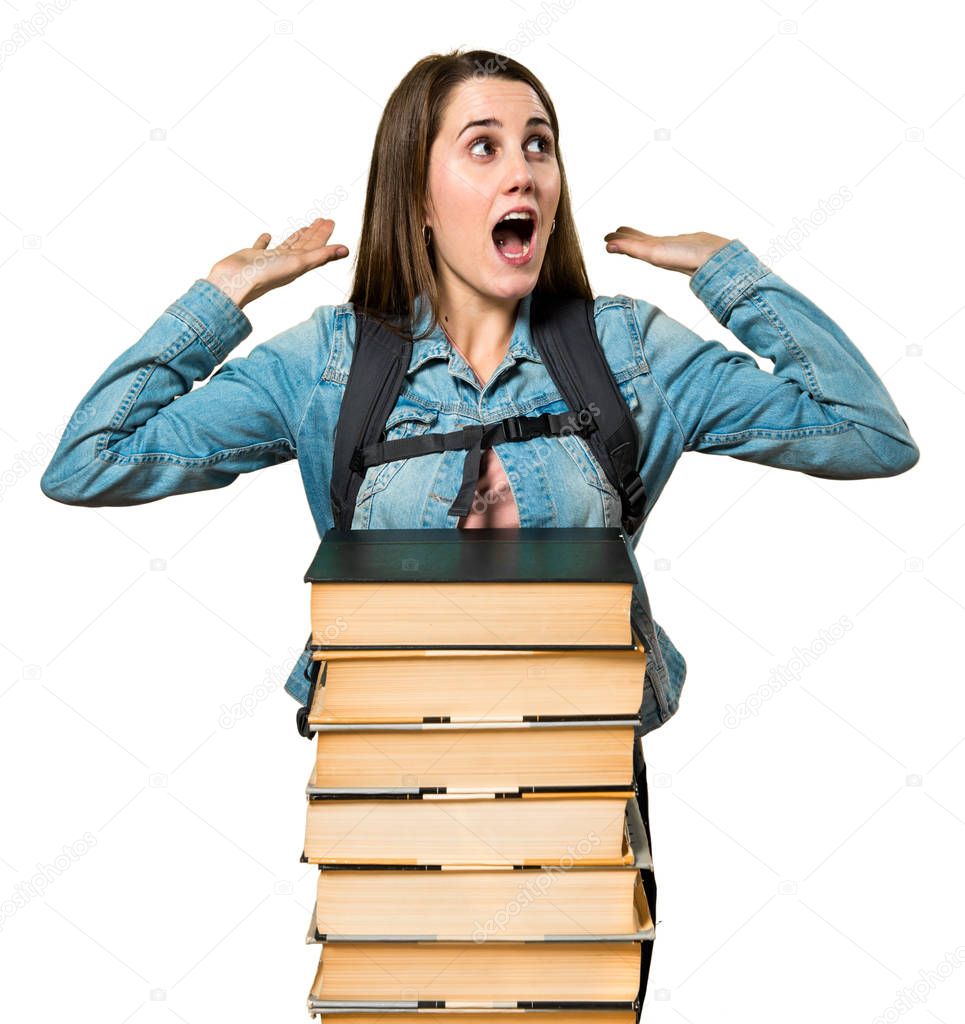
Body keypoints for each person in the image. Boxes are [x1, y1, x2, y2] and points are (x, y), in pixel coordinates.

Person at [39, 48, 919, 735]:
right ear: (417, 194)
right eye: (484, 146)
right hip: (392, 794)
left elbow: (866, 436)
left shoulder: (629, 351)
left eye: (539, 143)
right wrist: (222, 295)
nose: (524, 171)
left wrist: (731, 274)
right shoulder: (328, 364)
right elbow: (89, 463)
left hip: (579, 795)